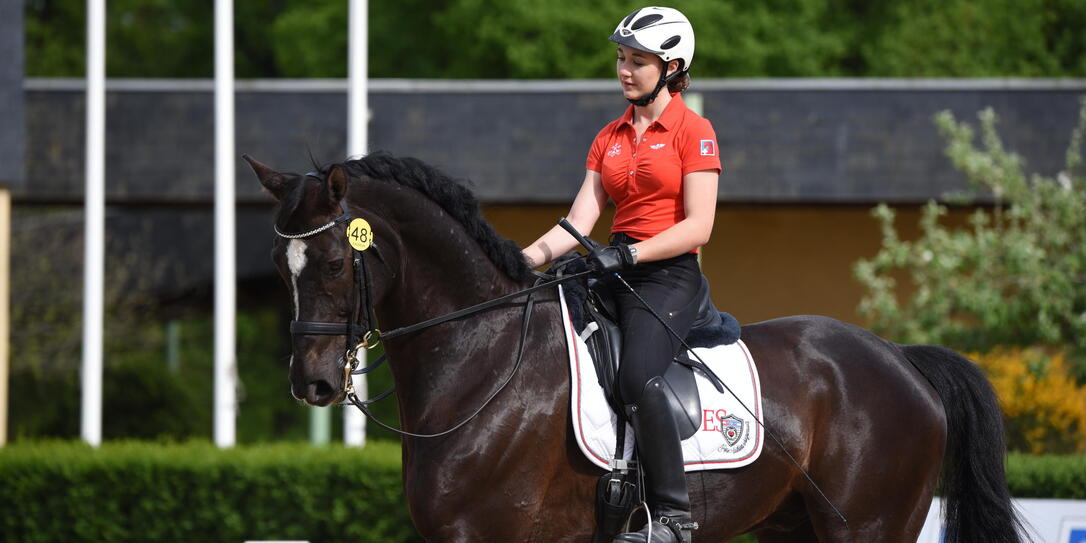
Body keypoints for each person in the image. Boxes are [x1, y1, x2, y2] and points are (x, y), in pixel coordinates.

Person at [521, 6, 721, 543]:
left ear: (673, 68)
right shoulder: (607, 137)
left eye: (638, 61)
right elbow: (578, 223)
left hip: (668, 276)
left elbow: (699, 226)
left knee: (638, 377)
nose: (624, 70)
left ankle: (674, 518)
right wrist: (520, 260)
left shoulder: (694, 131)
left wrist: (631, 256)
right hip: (614, 267)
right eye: (620, 59)